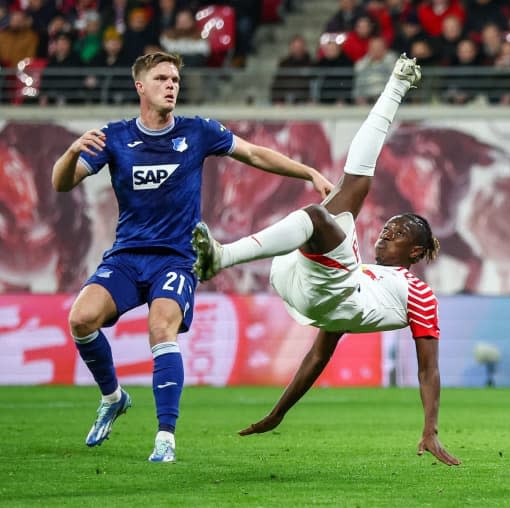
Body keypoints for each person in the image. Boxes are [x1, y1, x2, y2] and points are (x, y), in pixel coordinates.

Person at [50, 51, 334, 463]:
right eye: (162, 78)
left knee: (161, 326)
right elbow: (62, 184)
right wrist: (73, 150)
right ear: (140, 86)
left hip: (176, 257)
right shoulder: (113, 138)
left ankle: (165, 437)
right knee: (80, 319)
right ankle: (113, 397)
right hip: (127, 256)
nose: (171, 85)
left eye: (176, 80)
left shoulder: (197, 131)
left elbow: (253, 153)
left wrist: (308, 171)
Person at [191, 54, 461, 466]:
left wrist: (430, 430)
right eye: (388, 227)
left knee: (328, 208)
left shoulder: (418, 294)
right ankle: (397, 84)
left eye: (399, 232)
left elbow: (428, 370)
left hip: (326, 292)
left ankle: (222, 256)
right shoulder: (365, 271)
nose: (386, 232)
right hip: (302, 278)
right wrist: (278, 413)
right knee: (345, 194)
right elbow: (318, 356)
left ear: (416, 253)